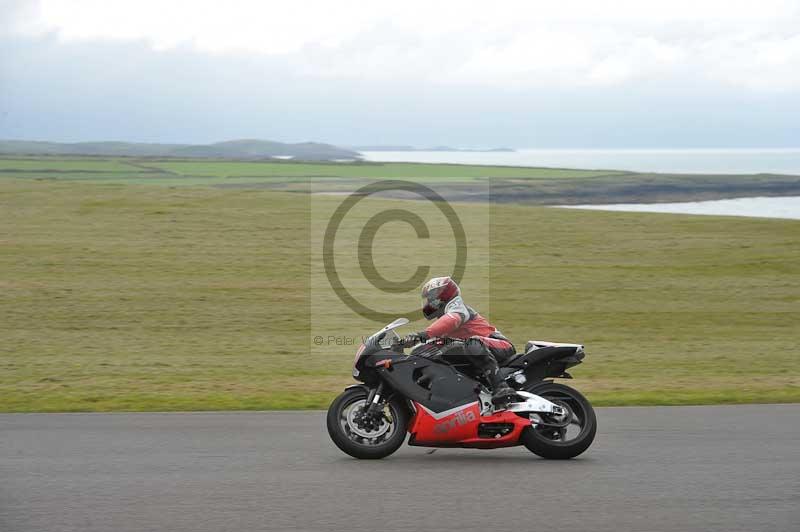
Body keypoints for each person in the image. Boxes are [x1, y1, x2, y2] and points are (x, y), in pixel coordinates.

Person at [404, 276, 517, 406]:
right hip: (478, 351)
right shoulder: (444, 319)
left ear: (443, 295)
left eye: (431, 298)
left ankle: (502, 387)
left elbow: (451, 320)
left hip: (499, 345)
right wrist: (402, 345)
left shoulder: (457, 308)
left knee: (473, 343)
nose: (429, 302)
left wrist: (421, 335)